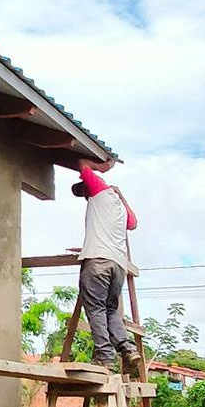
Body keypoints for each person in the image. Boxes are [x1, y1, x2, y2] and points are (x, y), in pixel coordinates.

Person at [71, 158, 142, 370]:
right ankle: (128, 348)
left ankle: (105, 356)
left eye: (84, 192)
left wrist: (103, 167)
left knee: (95, 309)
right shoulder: (118, 205)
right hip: (117, 265)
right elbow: (133, 223)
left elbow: (82, 163)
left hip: (98, 263)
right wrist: (121, 196)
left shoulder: (98, 190)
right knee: (111, 310)